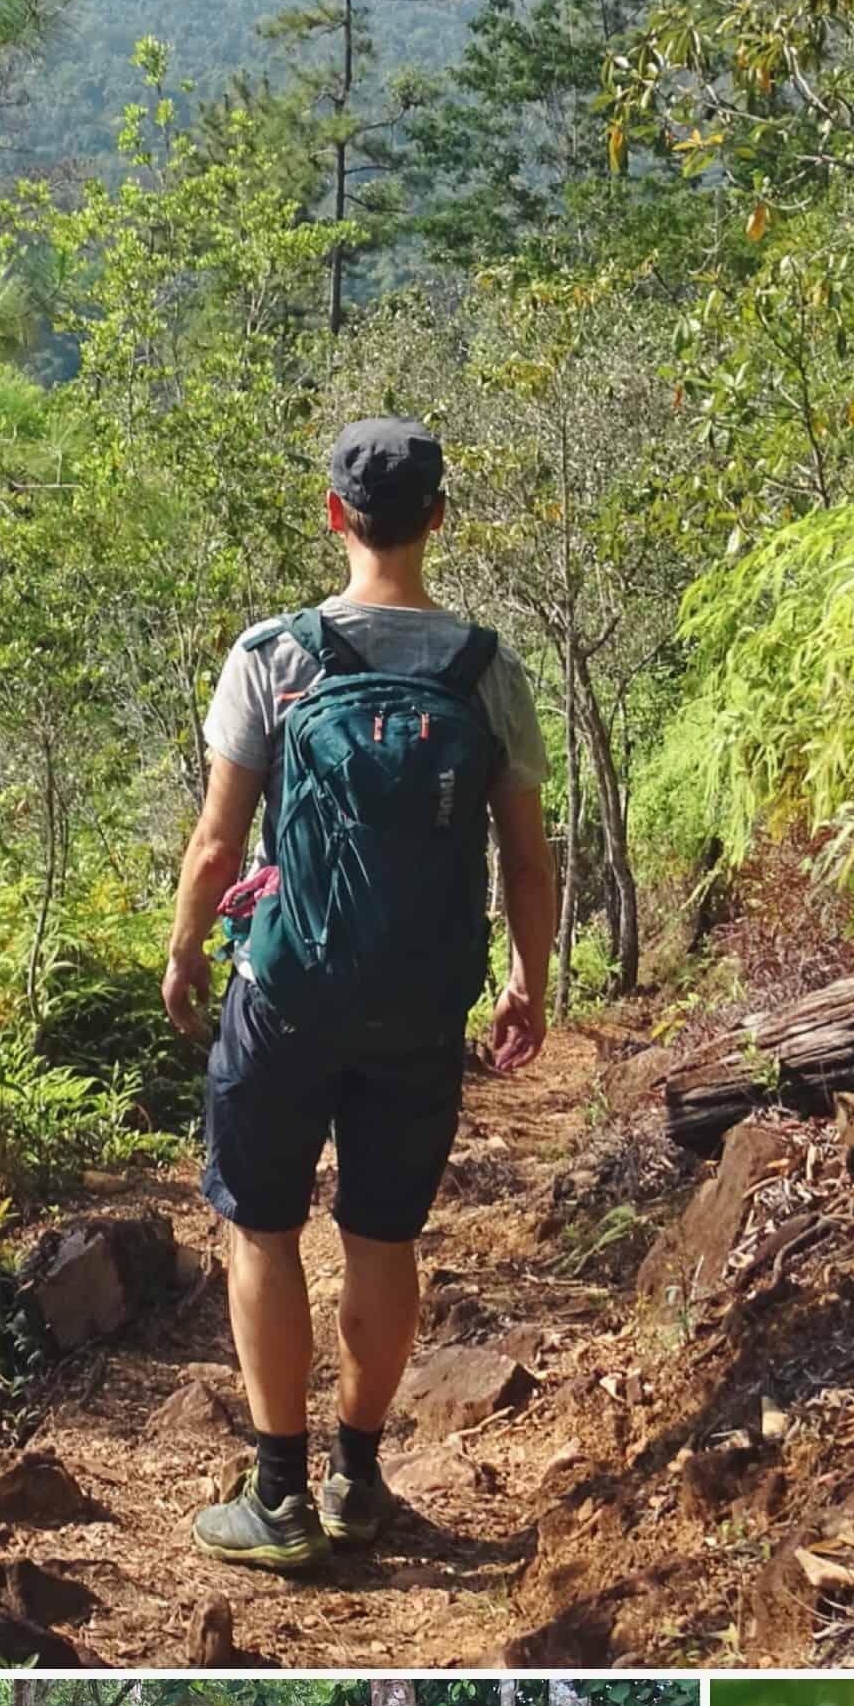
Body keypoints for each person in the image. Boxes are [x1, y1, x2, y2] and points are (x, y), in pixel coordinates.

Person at [163, 418, 555, 1571]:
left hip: (283, 989)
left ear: (333, 516)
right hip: (419, 1005)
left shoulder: (272, 656)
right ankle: (356, 1476)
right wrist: (528, 977)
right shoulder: (484, 671)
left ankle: (274, 1492)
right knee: (383, 1233)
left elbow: (214, 841)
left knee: (262, 1226)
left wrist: (186, 946)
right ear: (437, 516)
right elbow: (527, 858)